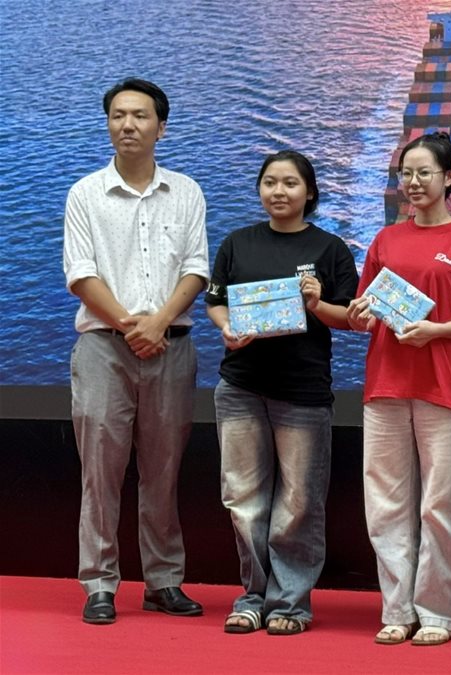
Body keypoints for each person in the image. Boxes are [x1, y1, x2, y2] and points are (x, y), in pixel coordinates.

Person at [63, 77, 208, 624]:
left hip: (172, 347)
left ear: (160, 127)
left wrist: (159, 322)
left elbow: (196, 268)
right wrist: (132, 327)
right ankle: (99, 583)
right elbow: (81, 274)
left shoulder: (187, 191)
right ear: (108, 124)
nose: (128, 125)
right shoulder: (85, 193)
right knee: (100, 472)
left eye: (140, 116)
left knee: (163, 472)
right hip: (104, 348)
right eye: (118, 115)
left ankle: (163, 581)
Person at [347, 131, 451, 646]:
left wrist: (434, 331)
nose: (413, 182)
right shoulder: (385, 240)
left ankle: (440, 613)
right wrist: (360, 314)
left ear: (450, 178)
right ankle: (397, 609)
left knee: (441, 505)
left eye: (424, 172)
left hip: (446, 386)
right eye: (405, 173)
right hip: (386, 383)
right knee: (385, 504)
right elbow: (365, 312)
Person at [205, 150, 359, 635]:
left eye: (290, 183)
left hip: (302, 391)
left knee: (299, 502)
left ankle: (290, 602)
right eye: (270, 181)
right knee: (243, 498)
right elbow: (216, 302)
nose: (279, 191)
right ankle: (252, 595)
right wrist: (226, 327)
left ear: (309, 192)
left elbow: (351, 318)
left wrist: (317, 304)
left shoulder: (330, 248)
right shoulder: (237, 243)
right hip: (241, 386)